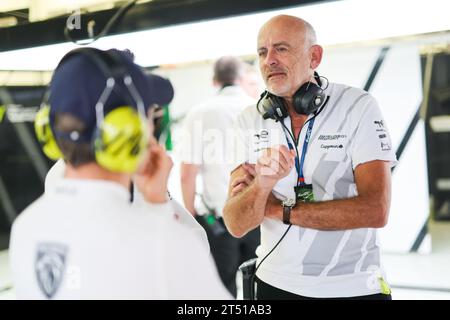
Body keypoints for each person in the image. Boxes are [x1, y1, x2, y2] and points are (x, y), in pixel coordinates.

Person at [9, 48, 230, 299]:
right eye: (149, 114)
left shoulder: (26, 227)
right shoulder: (167, 243)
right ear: (128, 129)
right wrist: (159, 212)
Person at [223, 15, 398, 300]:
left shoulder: (358, 106)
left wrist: (279, 210)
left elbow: (376, 210)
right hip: (274, 284)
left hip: (354, 286)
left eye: (281, 48)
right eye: (262, 52)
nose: (270, 60)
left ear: (314, 56)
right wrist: (262, 185)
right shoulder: (249, 119)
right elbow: (236, 223)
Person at [180, 56, 260, 297]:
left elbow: (187, 174)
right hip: (257, 216)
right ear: (241, 78)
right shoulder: (257, 108)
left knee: (221, 288)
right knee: (259, 284)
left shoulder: (199, 113)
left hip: (219, 222)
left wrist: (192, 216)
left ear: (215, 81)